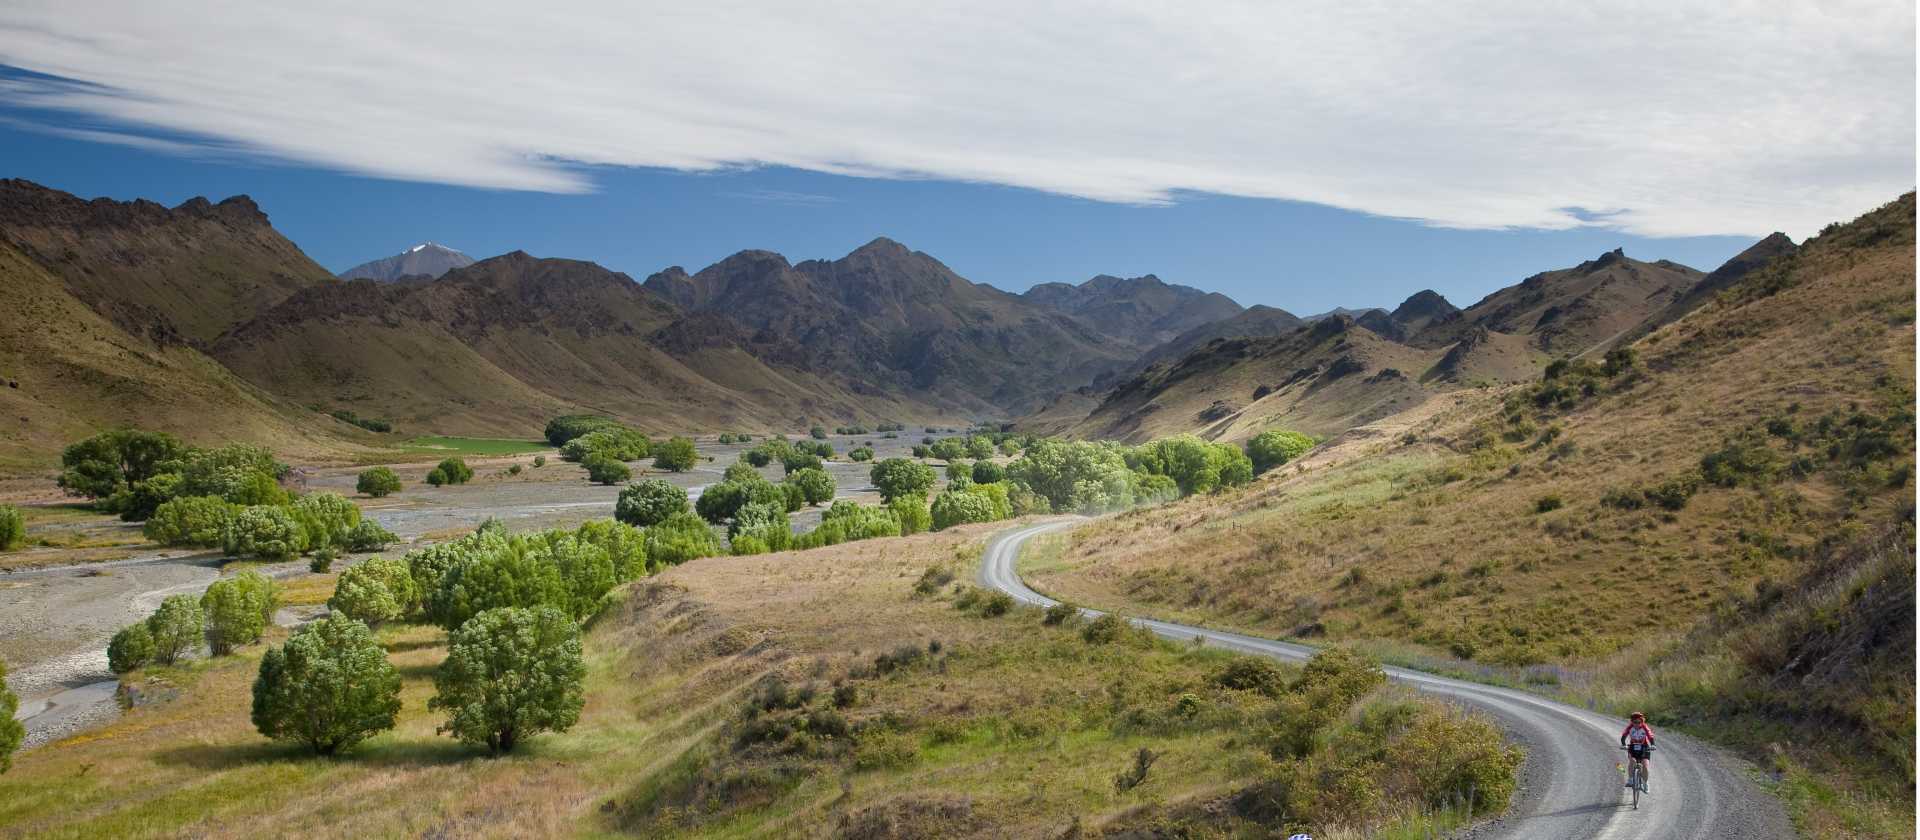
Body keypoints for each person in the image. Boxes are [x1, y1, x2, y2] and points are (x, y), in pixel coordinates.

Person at [1621, 711, 1656, 787]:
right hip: (1633, 747)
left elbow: (1650, 735)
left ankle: (1645, 783)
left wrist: (1653, 744)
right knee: (1632, 761)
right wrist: (1623, 744)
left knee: (1645, 765)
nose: (1637, 724)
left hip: (1644, 747)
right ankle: (1630, 780)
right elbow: (1624, 735)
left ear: (1642, 721)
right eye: (1634, 722)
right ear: (1632, 722)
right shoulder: (1630, 727)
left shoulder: (1645, 727)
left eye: (1639, 722)